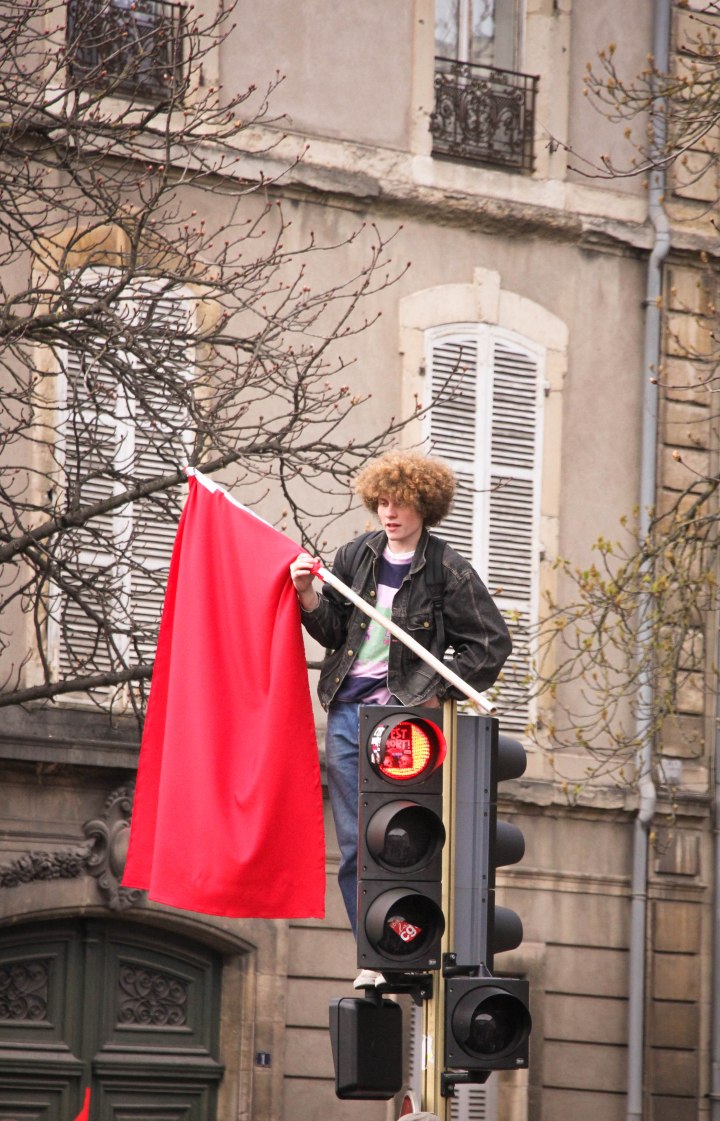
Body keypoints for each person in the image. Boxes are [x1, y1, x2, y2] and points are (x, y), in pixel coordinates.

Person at [290, 450, 511, 987]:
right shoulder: (355, 555)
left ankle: (402, 943)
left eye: (403, 503)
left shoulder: (448, 571)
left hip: (405, 725)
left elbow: (490, 647)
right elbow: (333, 632)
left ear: (425, 507)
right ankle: (372, 956)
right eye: (383, 501)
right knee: (352, 845)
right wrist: (305, 594)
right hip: (347, 713)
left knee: (398, 840)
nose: (390, 513)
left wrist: (431, 692)